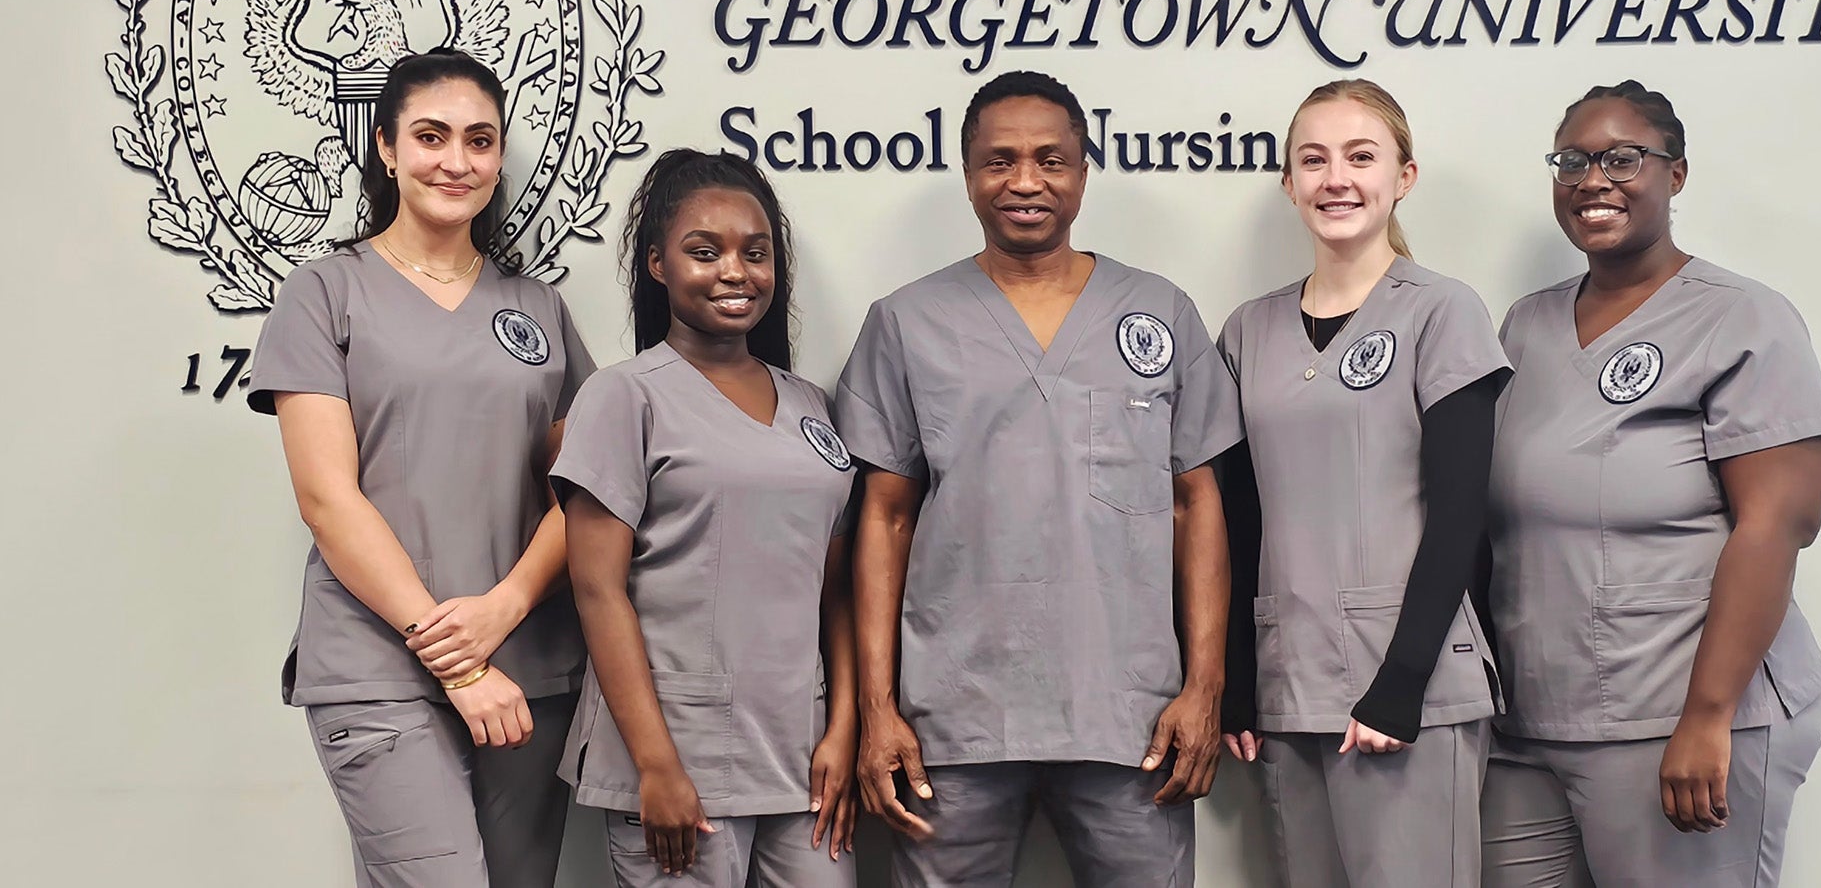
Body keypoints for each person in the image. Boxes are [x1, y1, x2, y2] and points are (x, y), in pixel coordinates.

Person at [835, 71, 1243, 888]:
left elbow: (1197, 503)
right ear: (968, 173)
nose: (1026, 181)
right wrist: (878, 710)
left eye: (1051, 159)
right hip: (951, 723)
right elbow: (882, 519)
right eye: (1001, 160)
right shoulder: (906, 321)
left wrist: (1205, 686)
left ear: (1084, 173)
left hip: (1132, 721)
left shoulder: (1160, 311)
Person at [247, 48, 594, 888]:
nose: (457, 159)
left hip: (527, 665)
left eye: (480, 139)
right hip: (380, 665)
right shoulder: (324, 292)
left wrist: (504, 610)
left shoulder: (537, 306)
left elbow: (580, 493)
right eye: (431, 136)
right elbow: (327, 499)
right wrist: (459, 660)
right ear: (386, 147)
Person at [1480, 80, 1821, 888]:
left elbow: (1776, 524)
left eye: (1622, 158)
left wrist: (1707, 716)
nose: (1593, 179)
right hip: (1531, 718)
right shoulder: (1523, 326)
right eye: (1572, 160)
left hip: (1681, 715)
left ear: (1674, 176)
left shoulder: (1743, 318)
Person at [1215, 79, 1508, 887]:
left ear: (1403, 177)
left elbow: (1460, 514)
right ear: (1288, 183)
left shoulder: (1443, 312)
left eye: (1360, 156)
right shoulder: (1248, 328)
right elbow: (1240, 518)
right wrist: (1238, 681)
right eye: (1313, 159)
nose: (1335, 178)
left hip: (1409, 686)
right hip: (1291, 682)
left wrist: (1403, 682)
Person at [552, 150, 859, 888]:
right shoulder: (625, 397)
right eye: (704, 250)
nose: (735, 271)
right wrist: (655, 766)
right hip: (677, 758)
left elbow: (834, 590)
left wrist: (844, 725)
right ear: (658, 264)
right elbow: (598, 590)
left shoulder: (812, 405)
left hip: (801, 759)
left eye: (755, 253)